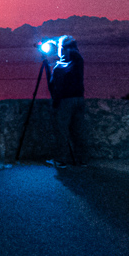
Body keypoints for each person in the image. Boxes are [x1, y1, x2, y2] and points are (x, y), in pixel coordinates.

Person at [45, 35, 85, 168]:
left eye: (61, 47)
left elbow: (55, 86)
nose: (59, 50)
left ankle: (61, 160)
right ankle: (81, 159)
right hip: (79, 98)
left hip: (65, 100)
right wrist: (56, 43)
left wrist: (50, 66)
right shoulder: (79, 60)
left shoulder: (61, 66)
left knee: (61, 130)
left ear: (65, 48)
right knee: (78, 130)